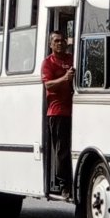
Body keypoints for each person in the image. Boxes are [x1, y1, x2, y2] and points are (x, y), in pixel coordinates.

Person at [41, 31, 74, 199]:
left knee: (72, 149)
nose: (60, 43)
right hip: (57, 111)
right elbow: (48, 85)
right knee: (62, 150)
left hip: (75, 110)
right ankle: (64, 185)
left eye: (62, 40)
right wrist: (65, 79)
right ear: (50, 44)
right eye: (56, 41)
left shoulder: (71, 59)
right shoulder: (48, 63)